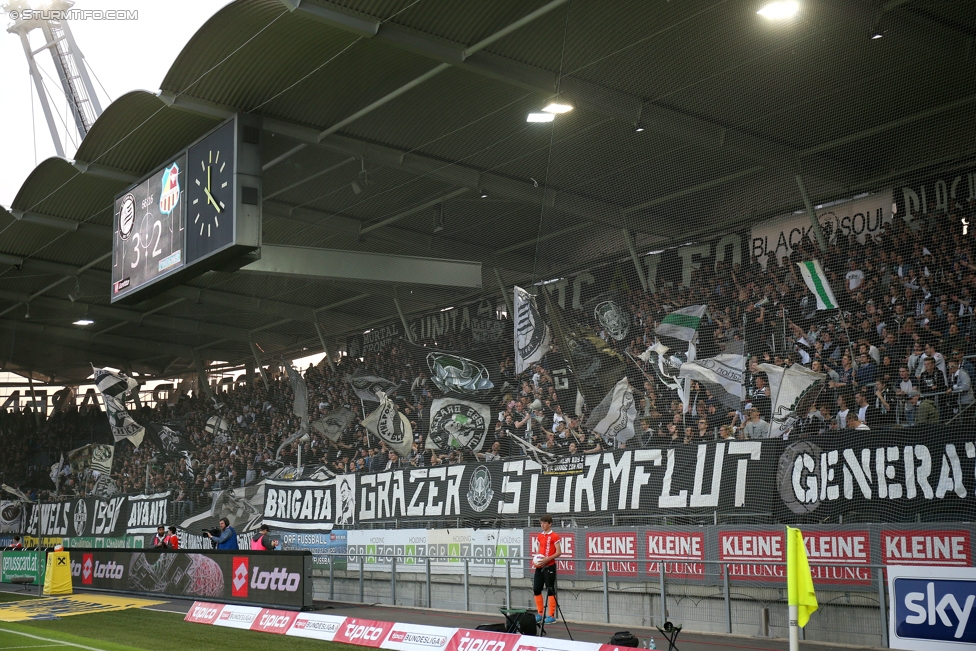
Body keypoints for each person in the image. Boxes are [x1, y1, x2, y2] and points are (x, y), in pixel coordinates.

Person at [532, 514, 561, 625]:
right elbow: (539, 552)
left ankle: (551, 616)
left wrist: (547, 559)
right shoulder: (539, 536)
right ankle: (540, 614)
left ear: (550, 524)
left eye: (544, 523)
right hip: (540, 566)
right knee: (536, 588)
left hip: (550, 565)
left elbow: (559, 552)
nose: (542, 525)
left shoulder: (554, 536)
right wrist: (536, 560)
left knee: (550, 589)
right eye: (541, 523)